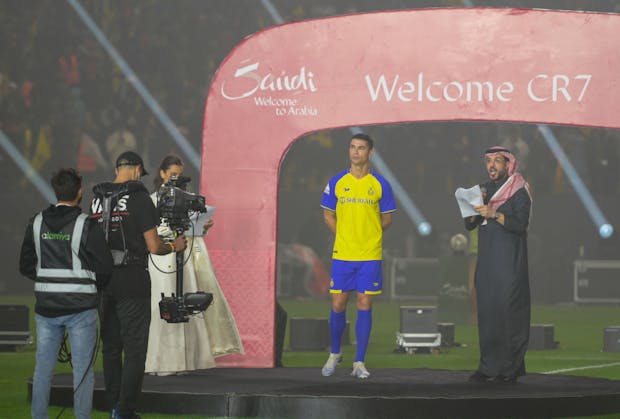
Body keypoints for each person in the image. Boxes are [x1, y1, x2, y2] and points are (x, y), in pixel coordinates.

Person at [90, 151, 187, 419]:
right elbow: (154, 246)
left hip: (103, 281)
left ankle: (113, 406)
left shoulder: (97, 198)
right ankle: (125, 409)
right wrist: (174, 246)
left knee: (111, 347)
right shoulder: (139, 197)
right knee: (134, 349)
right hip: (132, 279)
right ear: (136, 170)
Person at [19, 168, 113, 419]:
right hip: (81, 308)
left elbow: (25, 265)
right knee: (82, 371)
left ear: (55, 191)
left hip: (46, 308)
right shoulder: (86, 224)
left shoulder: (36, 221)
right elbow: (104, 268)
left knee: (43, 371)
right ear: (79, 192)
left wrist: (49, 281)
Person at [145, 154, 243, 375]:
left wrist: (201, 226)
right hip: (162, 259)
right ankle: (159, 364)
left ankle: (184, 362)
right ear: (161, 174)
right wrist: (174, 236)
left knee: (185, 306)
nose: (175, 179)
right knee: (161, 306)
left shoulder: (187, 200)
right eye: (172, 174)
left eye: (179, 175)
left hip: (184, 260)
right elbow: (152, 233)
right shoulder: (151, 201)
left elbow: (189, 230)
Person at [320, 133, 396, 379]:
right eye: (352, 147)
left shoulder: (380, 184)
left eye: (361, 148)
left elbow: (387, 219)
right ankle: (334, 353)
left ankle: (359, 362)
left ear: (370, 152)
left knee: (364, 303)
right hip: (343, 254)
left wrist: (368, 235)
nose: (356, 152)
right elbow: (328, 214)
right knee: (338, 304)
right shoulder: (337, 181)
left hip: (369, 255)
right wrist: (345, 235)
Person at [464, 146, 533, 384]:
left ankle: (510, 369)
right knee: (488, 314)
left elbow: (520, 223)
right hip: (487, 262)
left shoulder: (518, 190)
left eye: (497, 161)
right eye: (488, 161)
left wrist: (493, 213)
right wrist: (473, 209)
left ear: (508, 164)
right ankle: (487, 366)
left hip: (509, 262)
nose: (492, 165)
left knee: (509, 315)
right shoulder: (482, 190)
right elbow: (470, 224)